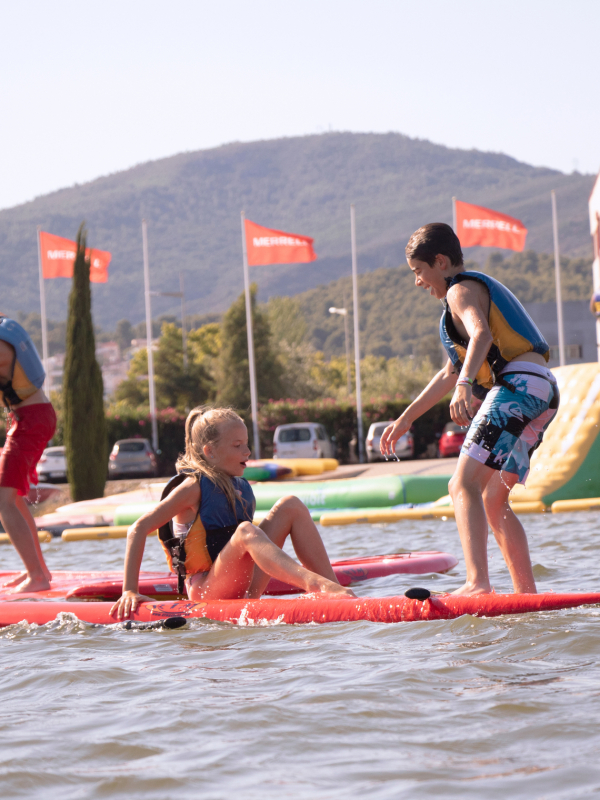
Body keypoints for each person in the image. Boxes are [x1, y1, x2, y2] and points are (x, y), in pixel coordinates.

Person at [381, 223, 559, 596]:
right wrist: (406, 418)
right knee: (493, 500)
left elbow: (482, 336)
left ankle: (477, 584)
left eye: (419, 272)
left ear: (440, 262)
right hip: (543, 389)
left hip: (517, 385)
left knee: (461, 484)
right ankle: (526, 595)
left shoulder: (460, 290)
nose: (418, 282)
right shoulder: (468, 295)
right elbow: (449, 371)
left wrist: (465, 385)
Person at [111, 406, 355, 620]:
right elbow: (138, 528)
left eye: (246, 444)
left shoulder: (238, 486)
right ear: (210, 452)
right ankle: (315, 584)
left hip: (242, 584)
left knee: (290, 505)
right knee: (246, 531)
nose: (247, 452)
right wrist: (129, 591)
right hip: (206, 590)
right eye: (238, 446)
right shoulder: (192, 488)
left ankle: (337, 591)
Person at [0, 315, 56, 593]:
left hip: (31, 421)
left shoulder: (1, 346)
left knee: (3, 501)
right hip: (33, 418)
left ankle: (37, 577)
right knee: (14, 498)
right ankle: (38, 570)